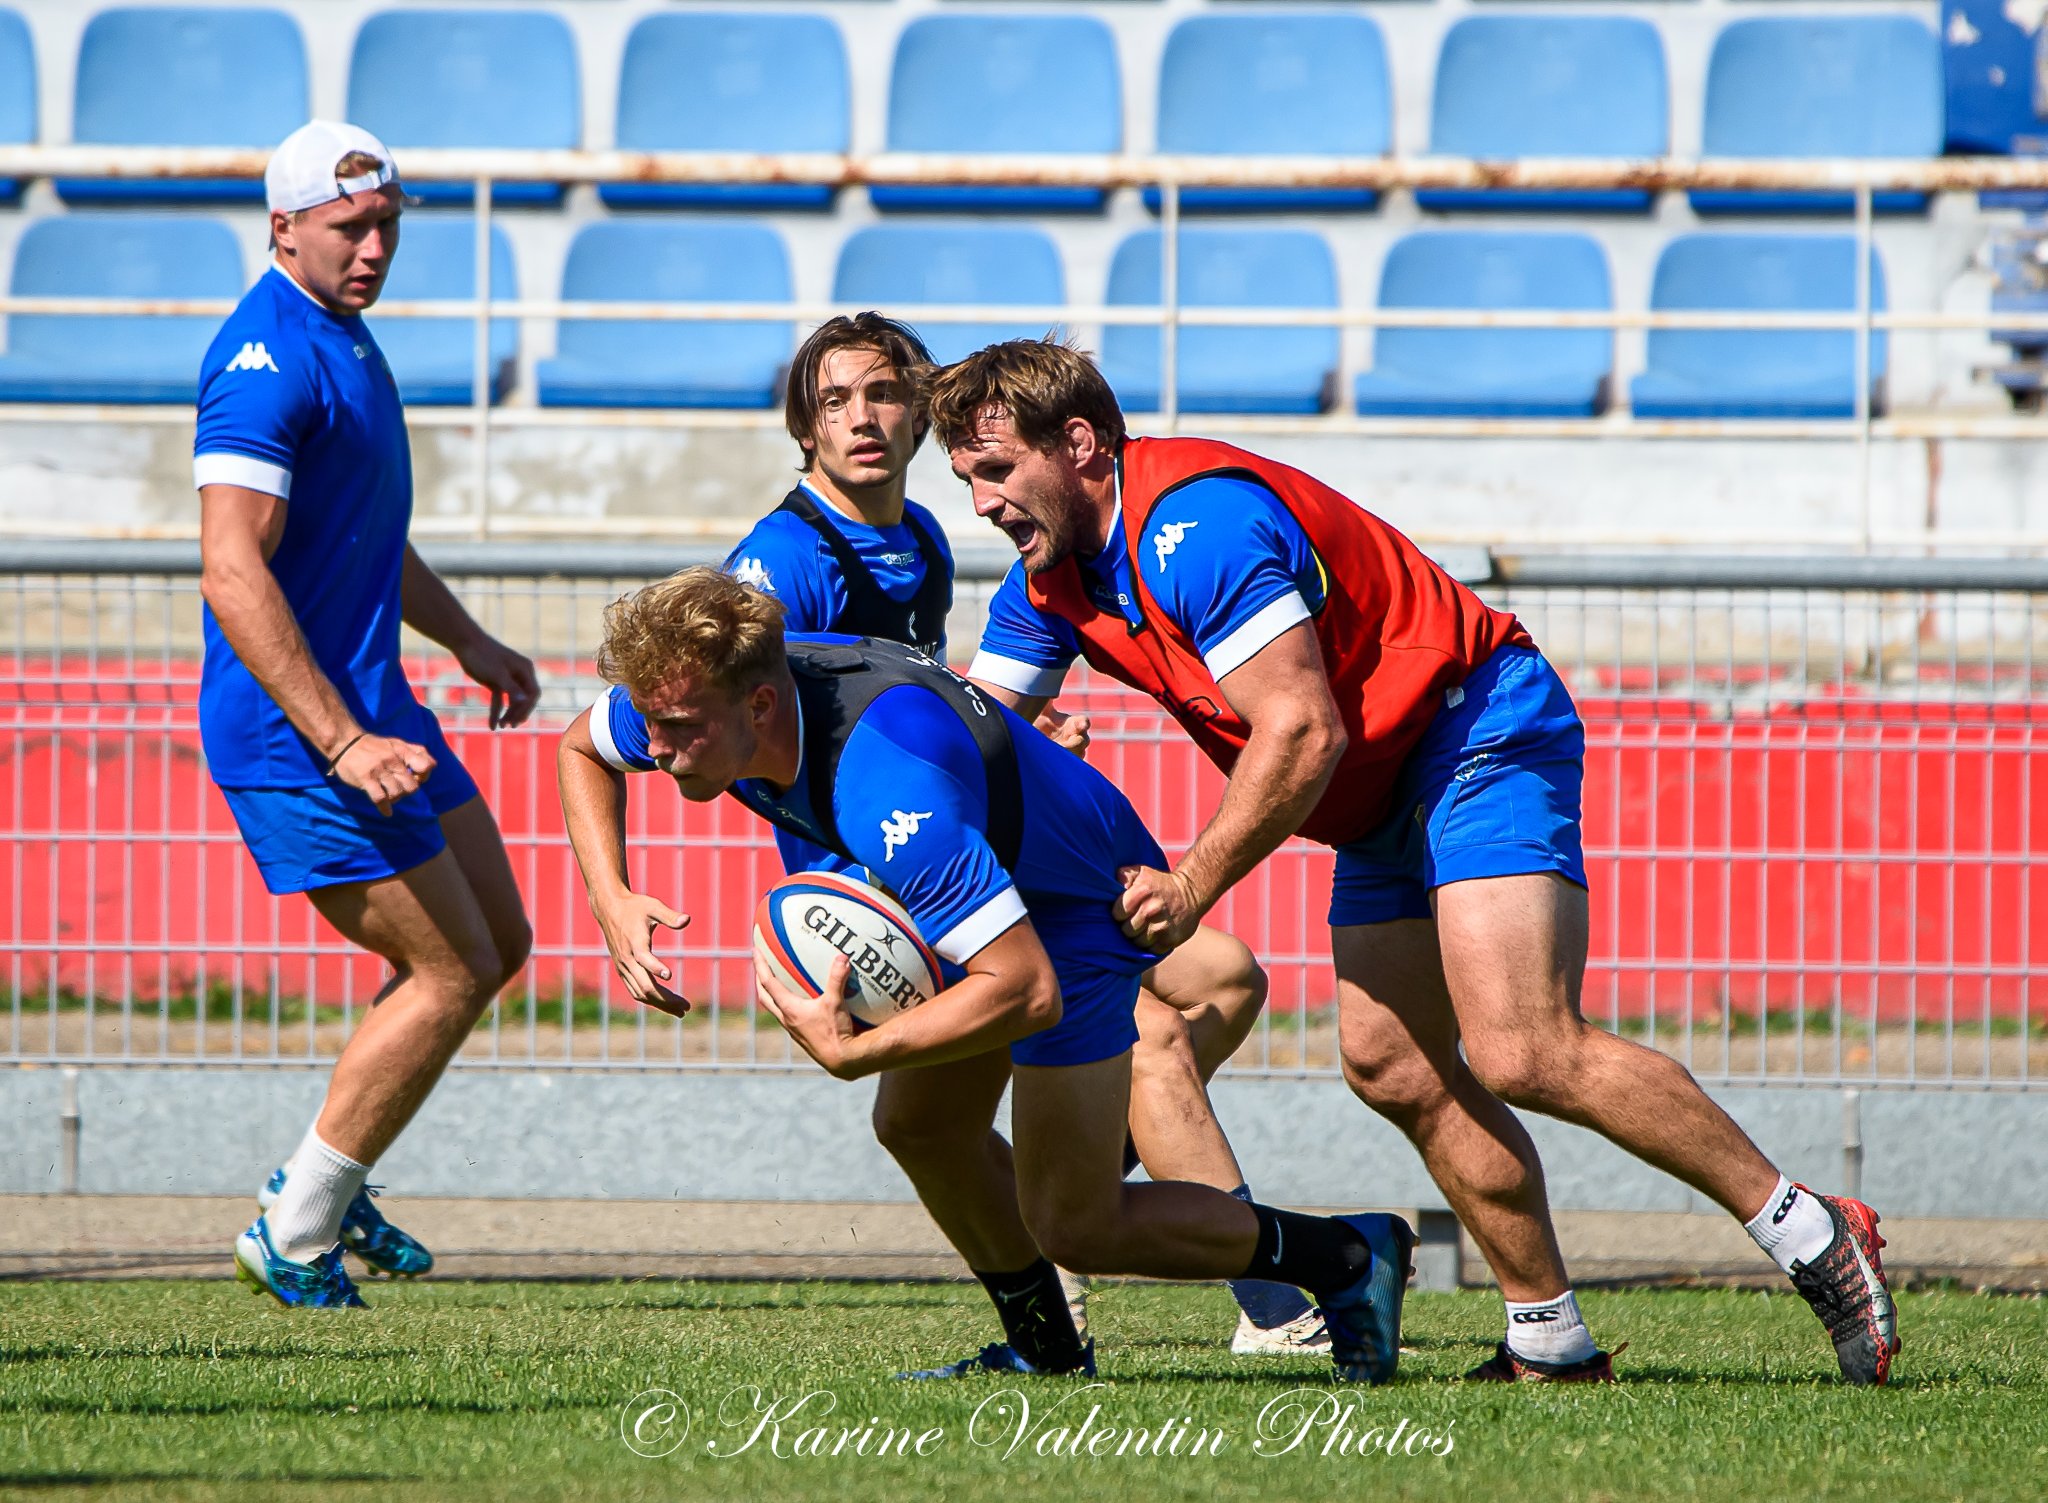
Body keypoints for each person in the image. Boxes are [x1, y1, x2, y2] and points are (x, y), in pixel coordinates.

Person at [934, 338, 1900, 1386]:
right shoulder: (1048, 583)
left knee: (1523, 1046)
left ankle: (1811, 1228)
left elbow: (1302, 731)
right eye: (967, 480)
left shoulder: (1194, 524)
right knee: (1391, 1064)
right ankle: (1549, 1341)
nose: (983, 503)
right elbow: (969, 740)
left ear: (1079, 444)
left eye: (997, 470)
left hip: (1470, 726)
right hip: (1376, 790)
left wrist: (1191, 883)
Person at [584, 311, 1319, 1353]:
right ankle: (1264, 1300)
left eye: (884, 393)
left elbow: (921, 706)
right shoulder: (782, 563)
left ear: (920, 413)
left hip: (966, 846)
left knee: (1224, 980)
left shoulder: (922, 538)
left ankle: (1084, 1200)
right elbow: (744, 713)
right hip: (888, 878)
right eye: (834, 401)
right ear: (803, 429)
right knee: (1131, 1040)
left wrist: (1003, 735)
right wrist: (612, 896)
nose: (863, 419)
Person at [558, 569, 1416, 1382]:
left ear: (759, 704)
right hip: (986, 881)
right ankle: (1044, 1348)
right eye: (651, 724)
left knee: (1077, 1223)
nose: (657, 751)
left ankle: (1346, 1256)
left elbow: (1025, 987)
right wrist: (612, 897)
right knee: (921, 1125)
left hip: (1076, 910)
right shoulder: (695, 692)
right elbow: (580, 747)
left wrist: (858, 1052)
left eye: (678, 728)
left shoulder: (890, 785)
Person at [198, 121, 537, 1307]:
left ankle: (330, 1184)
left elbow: (360, 534)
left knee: (498, 945)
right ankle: (295, 1230)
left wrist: (466, 638)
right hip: (302, 737)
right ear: (284, 227)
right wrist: (340, 740)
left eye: (387, 224)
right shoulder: (265, 358)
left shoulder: (343, 335)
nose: (376, 247)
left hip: (378, 710)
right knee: (448, 970)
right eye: (350, 227)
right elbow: (231, 566)